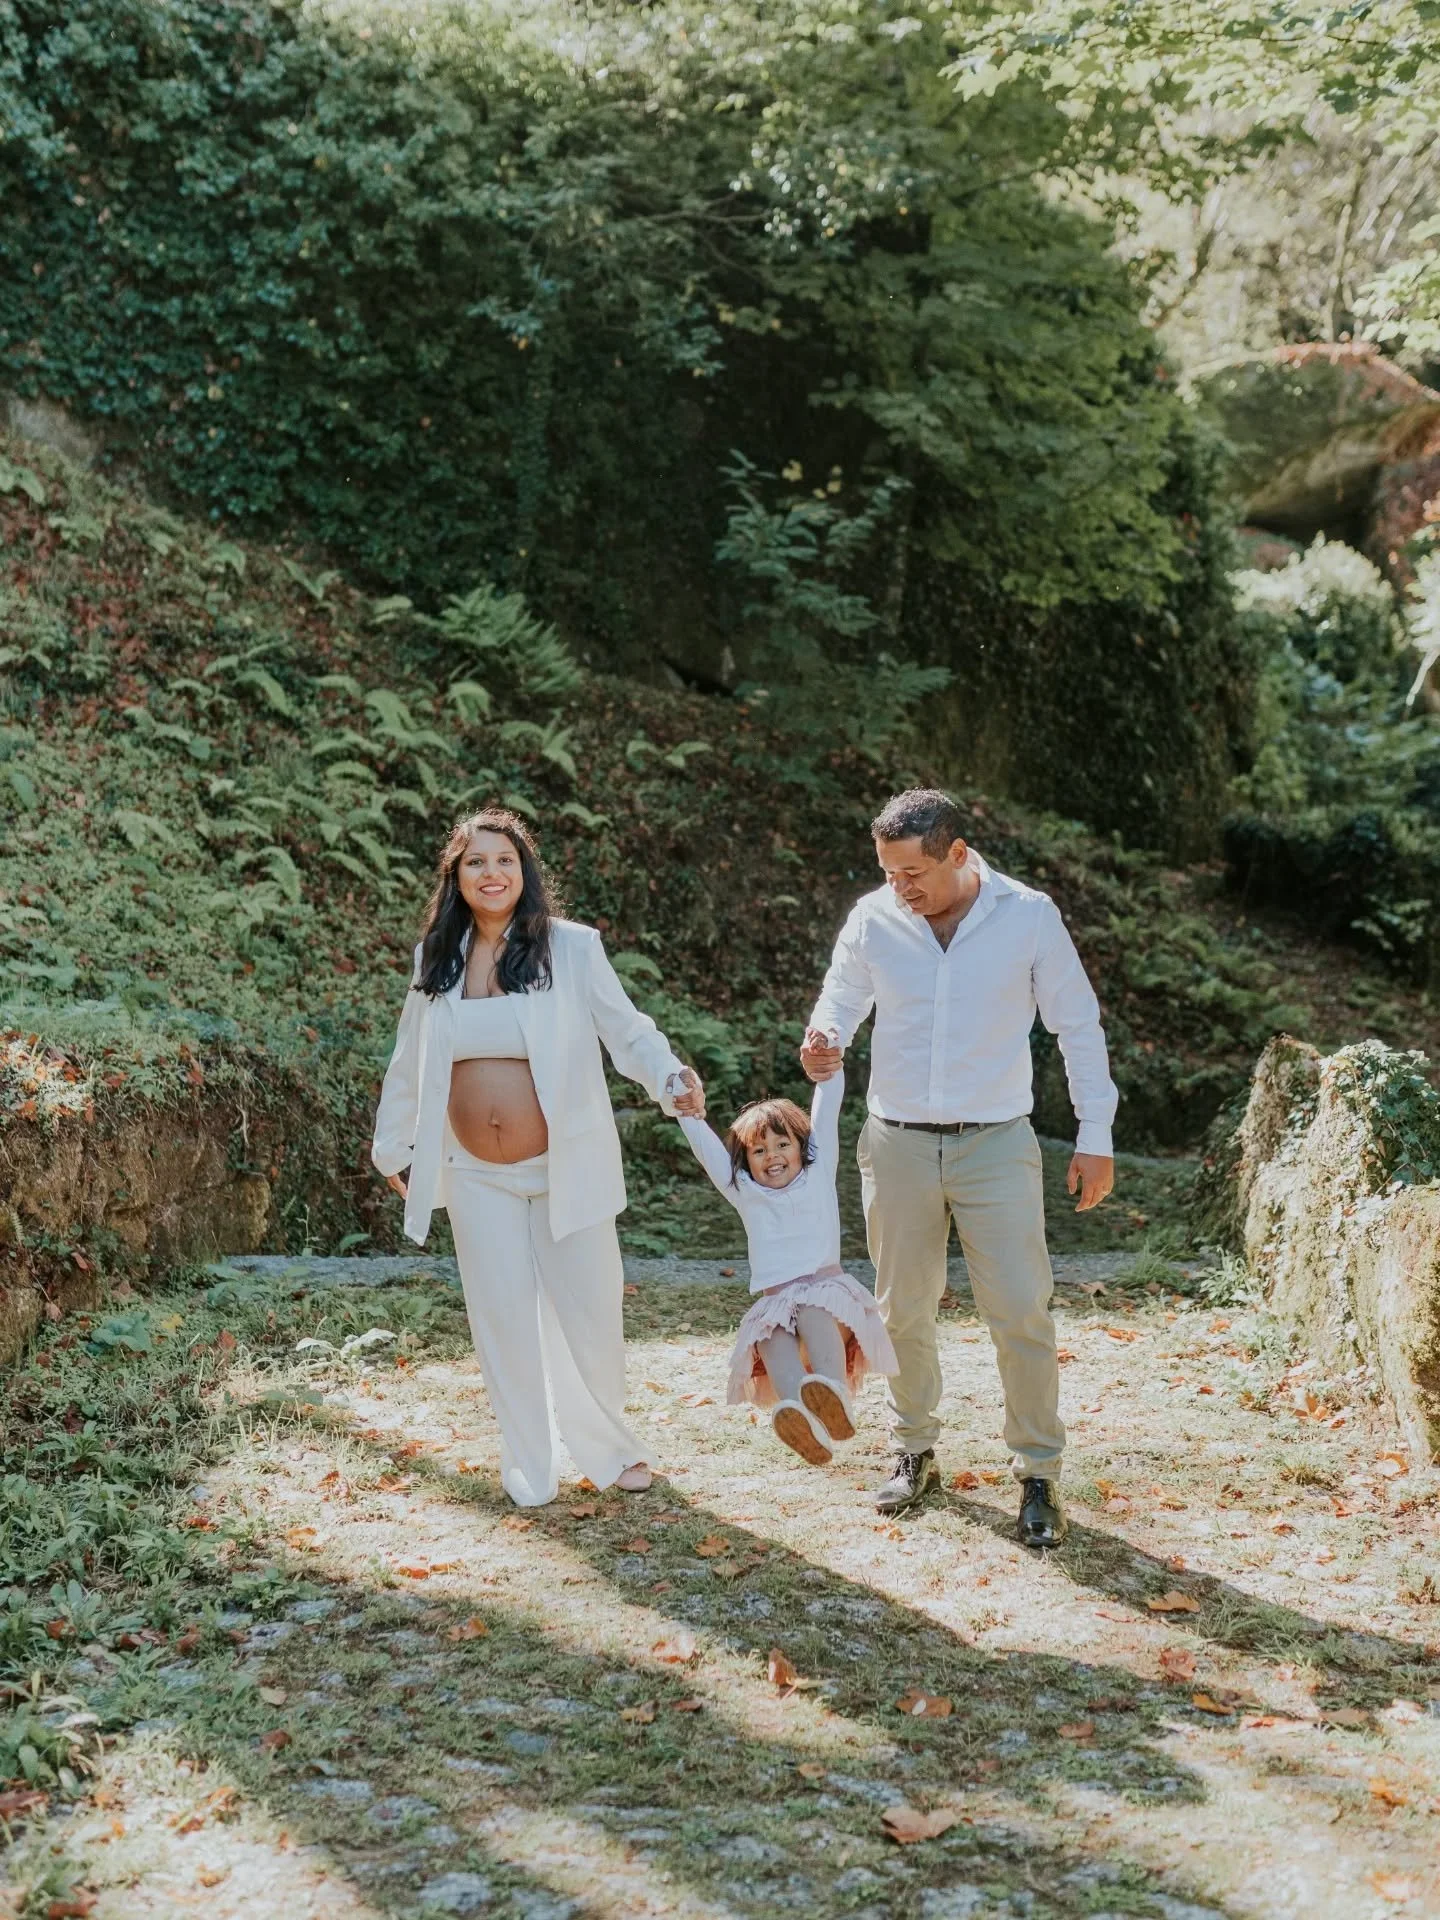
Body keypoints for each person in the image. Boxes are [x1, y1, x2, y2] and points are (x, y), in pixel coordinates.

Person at [801, 789, 1117, 1546]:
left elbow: (1077, 1024)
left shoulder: (1028, 916)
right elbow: (840, 997)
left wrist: (1095, 1132)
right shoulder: (873, 918)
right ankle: (913, 1449)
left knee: (1020, 1310)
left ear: (958, 854)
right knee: (900, 1309)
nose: (899, 887)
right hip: (897, 1143)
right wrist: (824, 1037)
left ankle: (1037, 1473)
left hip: (997, 1143)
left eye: (913, 872)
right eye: (888, 872)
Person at [371, 808, 704, 1508]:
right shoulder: (438, 956)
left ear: (524, 872)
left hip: (565, 1166)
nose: (491, 873)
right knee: (501, 1318)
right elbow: (410, 1055)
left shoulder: (572, 948)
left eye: (505, 860)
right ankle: (528, 1459)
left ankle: (612, 1450)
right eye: (476, 862)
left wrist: (670, 1076)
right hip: (474, 1174)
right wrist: (395, 1144)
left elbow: (627, 1032)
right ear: (456, 876)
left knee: (590, 1312)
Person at [677, 1067, 896, 1464]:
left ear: (802, 1148)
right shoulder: (745, 1192)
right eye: (759, 1151)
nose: (772, 1156)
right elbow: (706, 1151)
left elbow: (826, 1106)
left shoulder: (818, 1172)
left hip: (827, 1299)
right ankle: (803, 1418)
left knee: (812, 1309)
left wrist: (830, 1064)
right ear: (746, 1162)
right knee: (768, 1334)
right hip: (778, 1302)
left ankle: (833, 1394)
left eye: (782, 1144)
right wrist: (686, 1110)